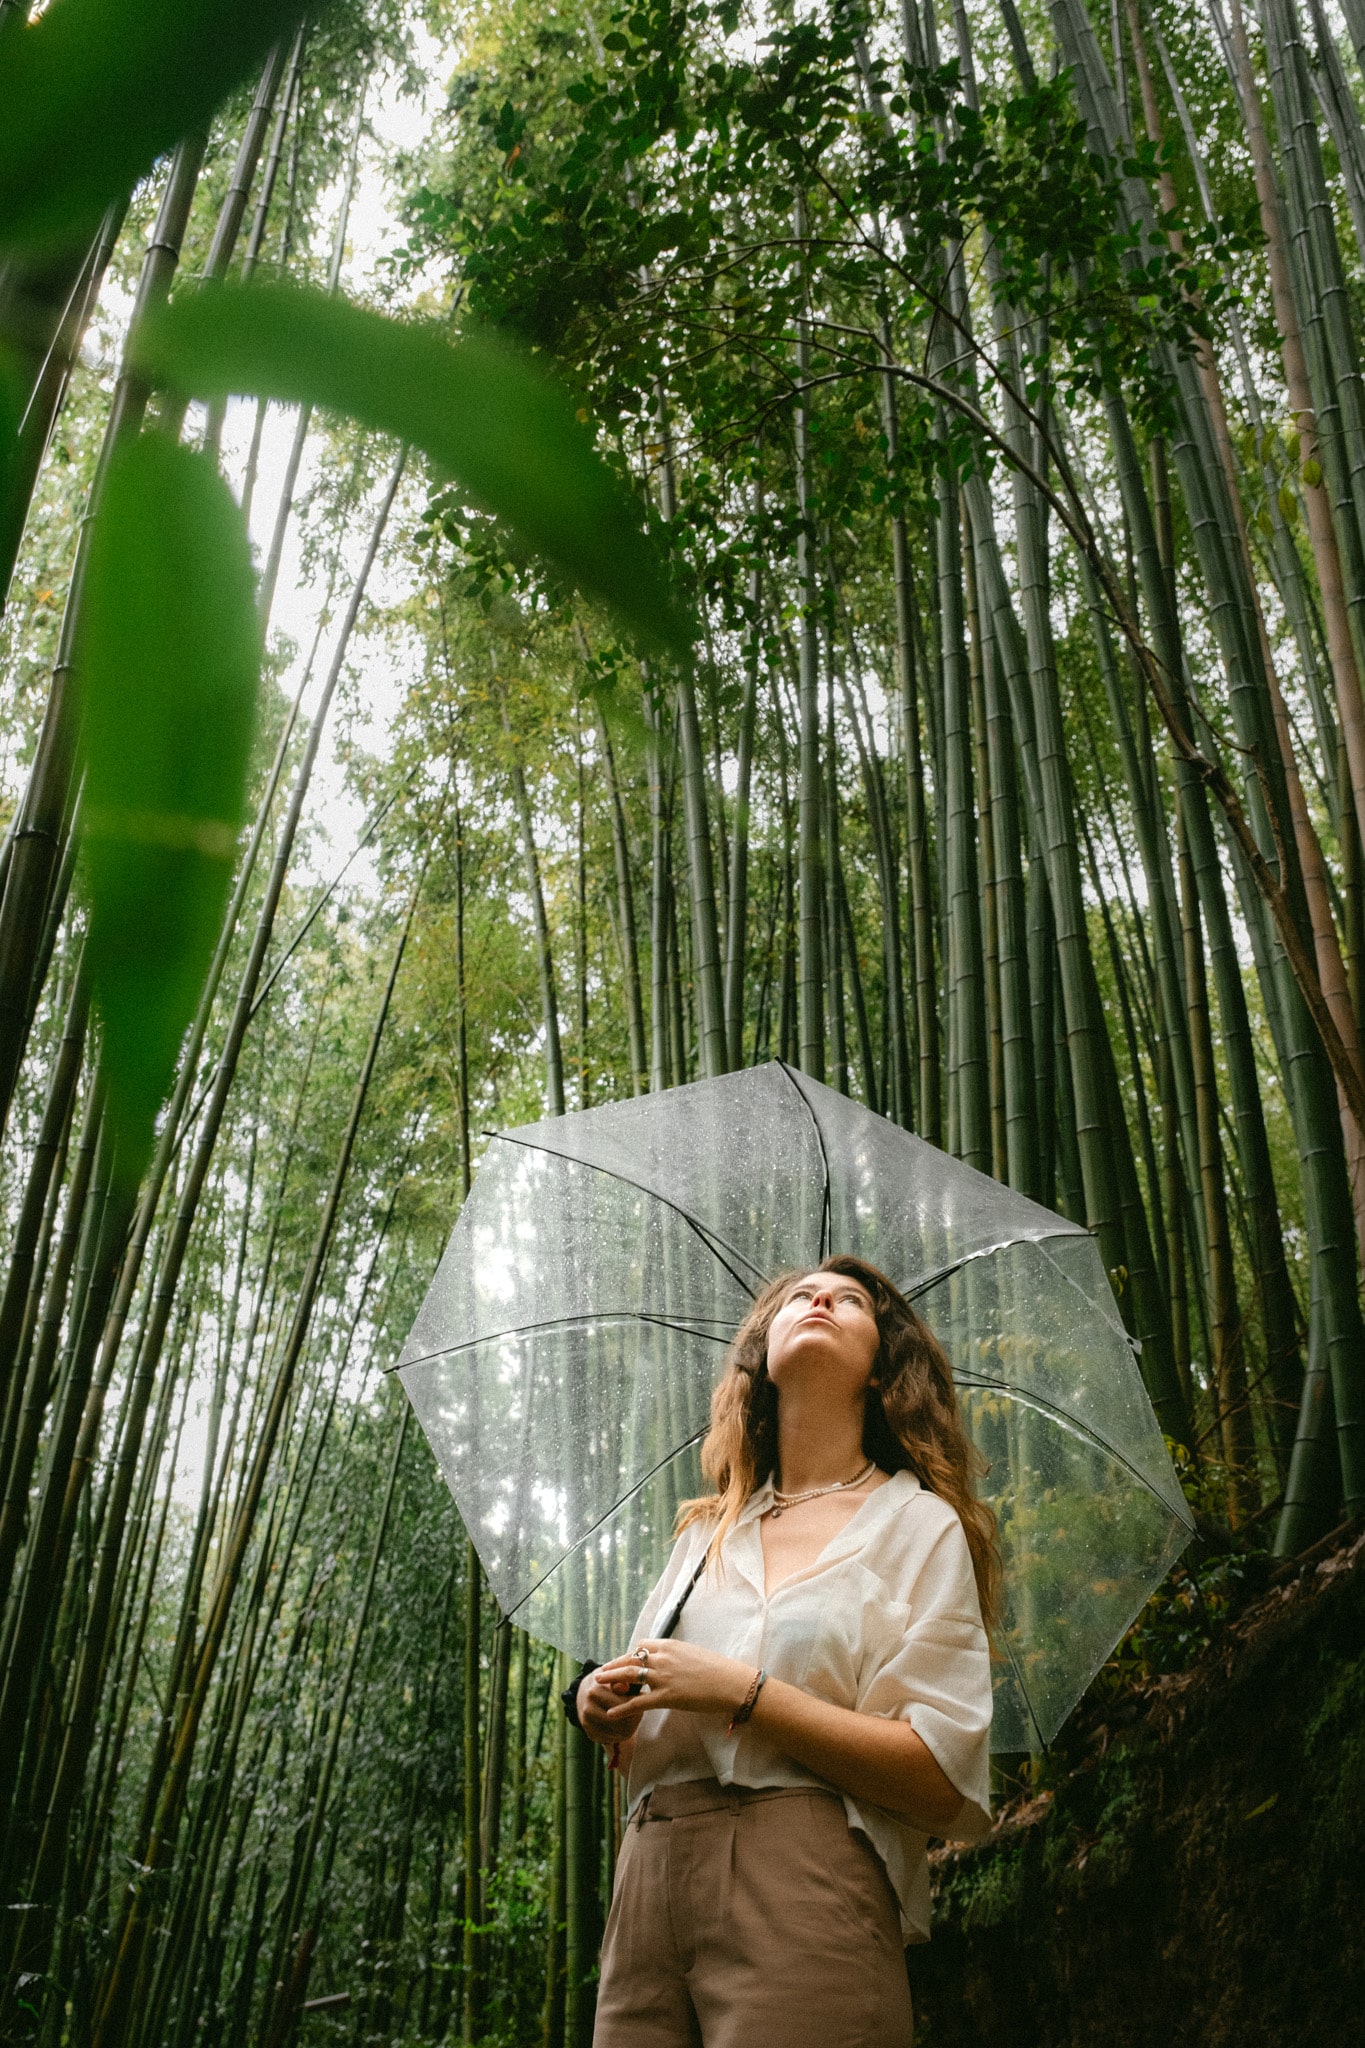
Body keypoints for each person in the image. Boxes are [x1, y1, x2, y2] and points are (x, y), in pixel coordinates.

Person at [571, 1253, 998, 2048]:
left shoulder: (916, 1526)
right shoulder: (706, 1531)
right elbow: (642, 1719)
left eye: (848, 1302)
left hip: (803, 1872)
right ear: (762, 1358)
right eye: (800, 1296)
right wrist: (601, 1704)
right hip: (648, 1876)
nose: (819, 1302)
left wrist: (743, 1691)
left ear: (881, 1369)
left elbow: (940, 1782)